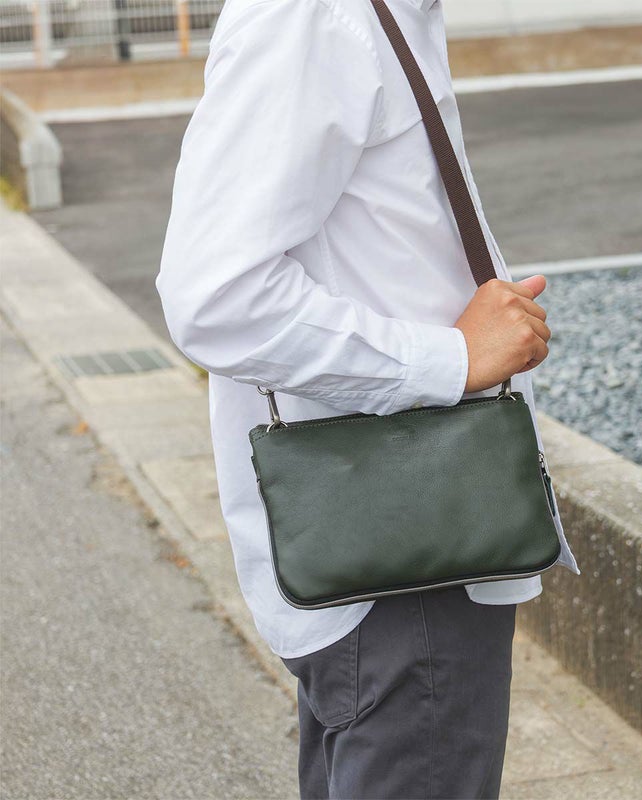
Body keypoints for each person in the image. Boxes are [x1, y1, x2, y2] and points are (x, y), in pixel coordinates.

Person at [156, 0, 579, 797]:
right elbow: (215, 297)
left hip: (406, 543)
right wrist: (451, 358)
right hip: (406, 563)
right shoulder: (316, 17)